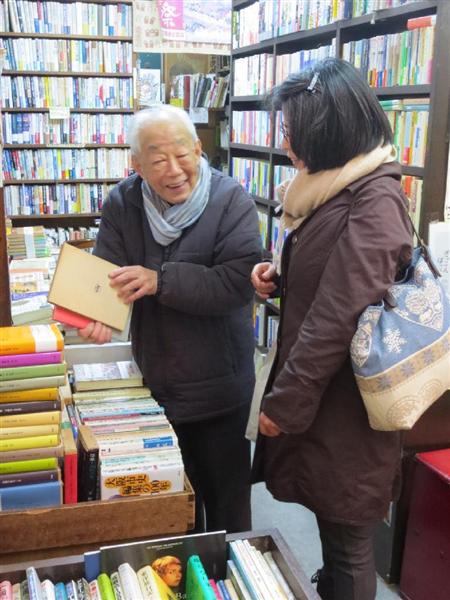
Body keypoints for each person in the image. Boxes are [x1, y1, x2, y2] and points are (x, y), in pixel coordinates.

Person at [251, 58, 413, 600]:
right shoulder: (336, 189)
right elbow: (331, 277)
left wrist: (283, 404)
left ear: (330, 129)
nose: (287, 142)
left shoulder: (376, 200)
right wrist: (280, 275)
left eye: (293, 131)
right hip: (329, 401)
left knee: (348, 543)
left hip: (347, 408)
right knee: (333, 525)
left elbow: (335, 316)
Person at [79, 104, 261, 533]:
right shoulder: (123, 203)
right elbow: (107, 275)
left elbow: (236, 284)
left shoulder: (229, 198)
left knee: (227, 512)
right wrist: (97, 312)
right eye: (158, 159)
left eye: (183, 154)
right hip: (156, 386)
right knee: (169, 510)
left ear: (199, 149)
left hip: (221, 387)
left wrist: (160, 280)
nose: (174, 169)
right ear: (137, 164)